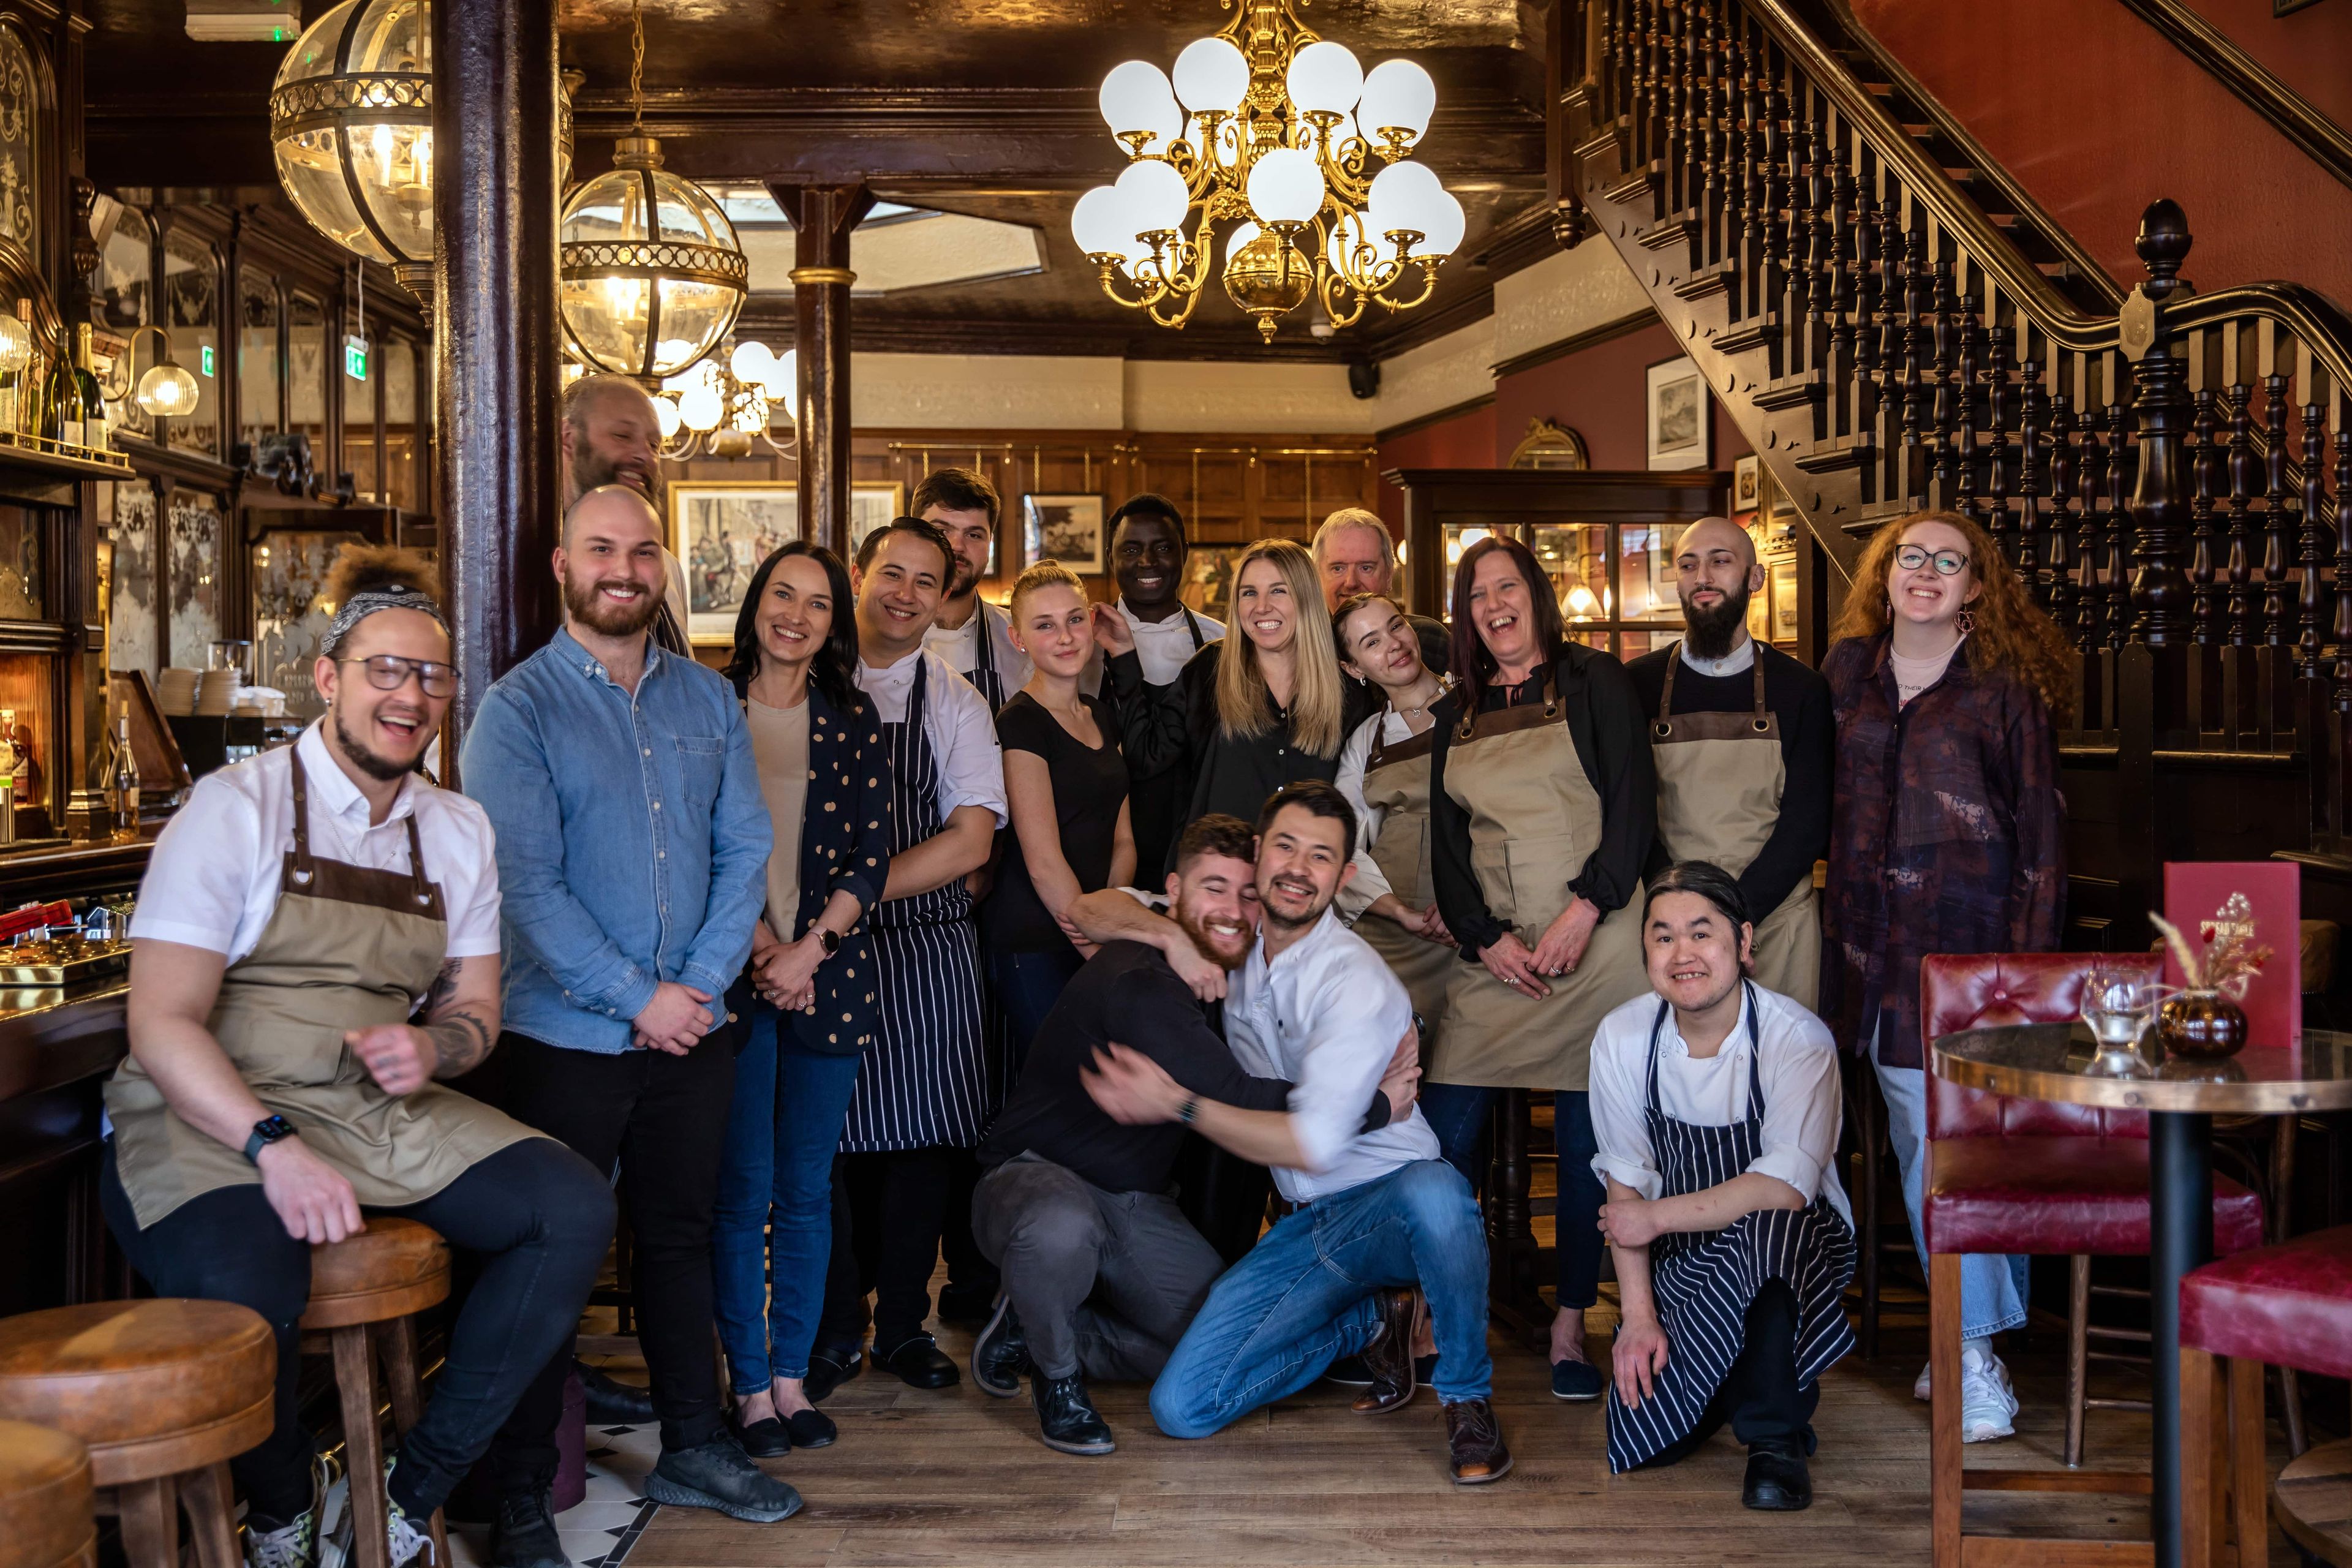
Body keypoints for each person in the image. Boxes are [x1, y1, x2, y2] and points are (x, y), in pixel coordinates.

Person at [100, 547, 614, 1568]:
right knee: (249, 1287)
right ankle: (286, 1510)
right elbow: (160, 1024)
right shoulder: (233, 810)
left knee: (570, 1206)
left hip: (369, 1108)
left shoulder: (456, 829)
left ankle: (403, 1490)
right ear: (328, 678)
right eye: (386, 669)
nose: (411, 696)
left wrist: (431, 1045)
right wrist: (273, 1144)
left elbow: (476, 1010)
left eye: (431, 676)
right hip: (208, 1108)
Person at [464, 486, 800, 1529]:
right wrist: (638, 998)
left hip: (693, 1028)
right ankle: (518, 1494)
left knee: (682, 1238)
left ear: (666, 569)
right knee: (546, 1258)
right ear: (561, 567)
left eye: (643, 550)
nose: (625, 567)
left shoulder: (706, 701)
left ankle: (694, 1448)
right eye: (601, 549)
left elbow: (745, 847)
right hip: (561, 1037)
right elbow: (524, 886)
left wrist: (693, 991)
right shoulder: (515, 710)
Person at [1073, 782, 1512, 1485]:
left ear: (1343, 877)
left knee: (1438, 1190)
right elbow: (1086, 908)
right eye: (1286, 846)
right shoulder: (1230, 935)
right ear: (1259, 851)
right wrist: (1166, 937)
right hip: (1309, 1228)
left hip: (1390, 1204)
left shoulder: (1355, 983)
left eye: (1321, 856)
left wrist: (1178, 1104)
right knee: (1182, 1406)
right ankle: (1371, 1326)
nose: (1299, 868)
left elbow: (1310, 1144)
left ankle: (1467, 1395)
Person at [971, 813, 1414, 1455]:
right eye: (1214, 889)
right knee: (1060, 1224)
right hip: (1032, 1177)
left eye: (1248, 894)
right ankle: (1057, 1377)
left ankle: (1037, 1328)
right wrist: (1378, 1106)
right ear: (1171, 891)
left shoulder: (1234, 967)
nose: (1232, 910)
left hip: (1133, 1201)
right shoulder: (1140, 979)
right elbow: (1235, 1095)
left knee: (1215, 1344)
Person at [1820, 508, 2068, 1444]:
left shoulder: (2004, 691)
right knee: (1913, 1150)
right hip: (1859, 957)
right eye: (1910, 557)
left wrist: (2024, 984)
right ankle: (1954, 1337)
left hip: (1966, 964)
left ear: (1974, 586)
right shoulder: (1844, 674)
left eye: (1949, 561)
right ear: (1885, 574)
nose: (1926, 571)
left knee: (1948, 1154)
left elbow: (2043, 840)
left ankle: (1971, 1355)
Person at [1425, 532, 1655, 1402]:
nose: (1494, 604)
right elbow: (1448, 854)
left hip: (1598, 945)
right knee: (1441, 1136)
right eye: (1477, 594)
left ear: (1537, 594)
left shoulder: (1597, 682)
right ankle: (1436, 1310)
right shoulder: (1458, 714)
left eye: (1507, 585)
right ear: (1467, 616)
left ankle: (1569, 1322)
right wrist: (1485, 937)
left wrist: (1586, 908)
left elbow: (1634, 806)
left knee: (1587, 1143)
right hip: (1499, 957)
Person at [1109, 535, 1366, 1259]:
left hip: (1311, 929)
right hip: (1221, 921)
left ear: (1306, 602)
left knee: (1302, 1089)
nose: (1262, 608)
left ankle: (1309, 1273)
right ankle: (1208, 1275)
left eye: (1278, 591)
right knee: (1222, 1091)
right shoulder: (1206, 675)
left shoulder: (1349, 696)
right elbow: (1153, 760)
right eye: (1248, 594)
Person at [809, 516, 1008, 1394]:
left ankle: (901, 1327)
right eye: (892, 573)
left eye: (926, 582)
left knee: (924, 1148)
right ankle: (829, 1328)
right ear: (858, 574)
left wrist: (853, 893)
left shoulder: (955, 701)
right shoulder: (802, 683)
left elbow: (970, 843)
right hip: (817, 953)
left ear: (944, 597)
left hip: (925, 950)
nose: (906, 594)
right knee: (831, 1147)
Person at [1593, 861, 1856, 1510]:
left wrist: (1656, 1218)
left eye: (1701, 933)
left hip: (1793, 1253)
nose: (1682, 953)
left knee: (1770, 1227)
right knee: (1651, 1438)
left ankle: (1775, 1437)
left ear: (1743, 943)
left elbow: (1786, 1188)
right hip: (1685, 1261)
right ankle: (1750, 1382)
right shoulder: (1623, 1038)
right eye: (1662, 936)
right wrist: (1637, 1318)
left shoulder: (1798, 1040)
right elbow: (1624, 1195)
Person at [708, 541, 892, 1459]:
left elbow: (872, 854)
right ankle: (746, 1388)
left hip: (829, 974)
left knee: (806, 1193)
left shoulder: (851, 716)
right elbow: (695, 844)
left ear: (833, 624)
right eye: (783, 594)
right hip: (732, 980)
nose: (797, 615)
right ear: (756, 605)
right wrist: (759, 950)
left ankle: (792, 1381)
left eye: (818, 604)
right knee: (742, 1196)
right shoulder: (708, 705)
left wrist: (811, 947)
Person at [1624, 518, 1833, 1009]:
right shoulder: (1637, 685)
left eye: (1721, 562)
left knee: (1778, 1070)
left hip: (1775, 921)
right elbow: (1631, 814)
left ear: (1755, 579)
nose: (1703, 577)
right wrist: (1685, 919)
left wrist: (1736, 916)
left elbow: (1807, 824)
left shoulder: (1801, 689)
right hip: (1672, 926)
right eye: (1689, 564)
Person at [984, 561, 1133, 1064]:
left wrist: (1110, 919)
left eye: (1074, 619)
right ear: (1019, 638)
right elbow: (1043, 860)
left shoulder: (1100, 712)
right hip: (1036, 940)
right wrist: (1096, 952)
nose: (1065, 637)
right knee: (1063, 1087)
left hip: (1100, 928)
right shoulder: (1020, 722)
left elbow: (1124, 837)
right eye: (1045, 625)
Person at [1331, 591, 1456, 1039]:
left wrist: (1465, 901)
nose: (1394, 644)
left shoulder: (1480, 706)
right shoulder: (1367, 740)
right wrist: (1401, 914)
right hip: (1393, 930)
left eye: (1396, 625)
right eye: (1371, 642)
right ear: (1354, 669)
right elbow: (1339, 843)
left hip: (1476, 923)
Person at [1088, 493, 1224, 880]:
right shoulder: (1082, 646)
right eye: (1131, 549)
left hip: (1197, 845)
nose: (1147, 562)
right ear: (1111, 558)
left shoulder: (1222, 644)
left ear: (1185, 552)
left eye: (1163, 548)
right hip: (1107, 844)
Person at [560, 372, 692, 658]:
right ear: (569, 438)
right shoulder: (528, 566)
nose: (645, 456)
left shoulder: (667, 565)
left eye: (654, 445)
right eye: (623, 436)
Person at [916, 467, 1030, 711]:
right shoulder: (873, 634)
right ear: (914, 534)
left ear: (989, 543)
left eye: (974, 535)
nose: (957, 546)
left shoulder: (1023, 639)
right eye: (942, 531)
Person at [1311, 507, 1449, 676]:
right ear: (1317, 577)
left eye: (1366, 568)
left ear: (1389, 575)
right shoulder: (1301, 650)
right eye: (1338, 568)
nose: (1351, 582)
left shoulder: (1431, 640)